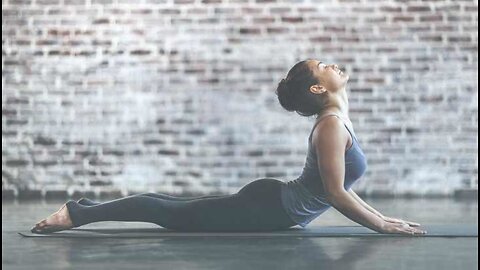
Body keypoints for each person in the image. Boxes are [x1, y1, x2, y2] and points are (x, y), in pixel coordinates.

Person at [31, 59, 426, 235]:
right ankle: (77, 214)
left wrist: (386, 219)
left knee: (172, 207)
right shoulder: (330, 129)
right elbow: (336, 194)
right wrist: (381, 226)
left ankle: (80, 210)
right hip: (269, 207)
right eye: (324, 65)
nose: (333, 65)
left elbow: (341, 189)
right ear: (319, 88)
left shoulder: (337, 124)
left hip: (272, 203)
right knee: (169, 213)